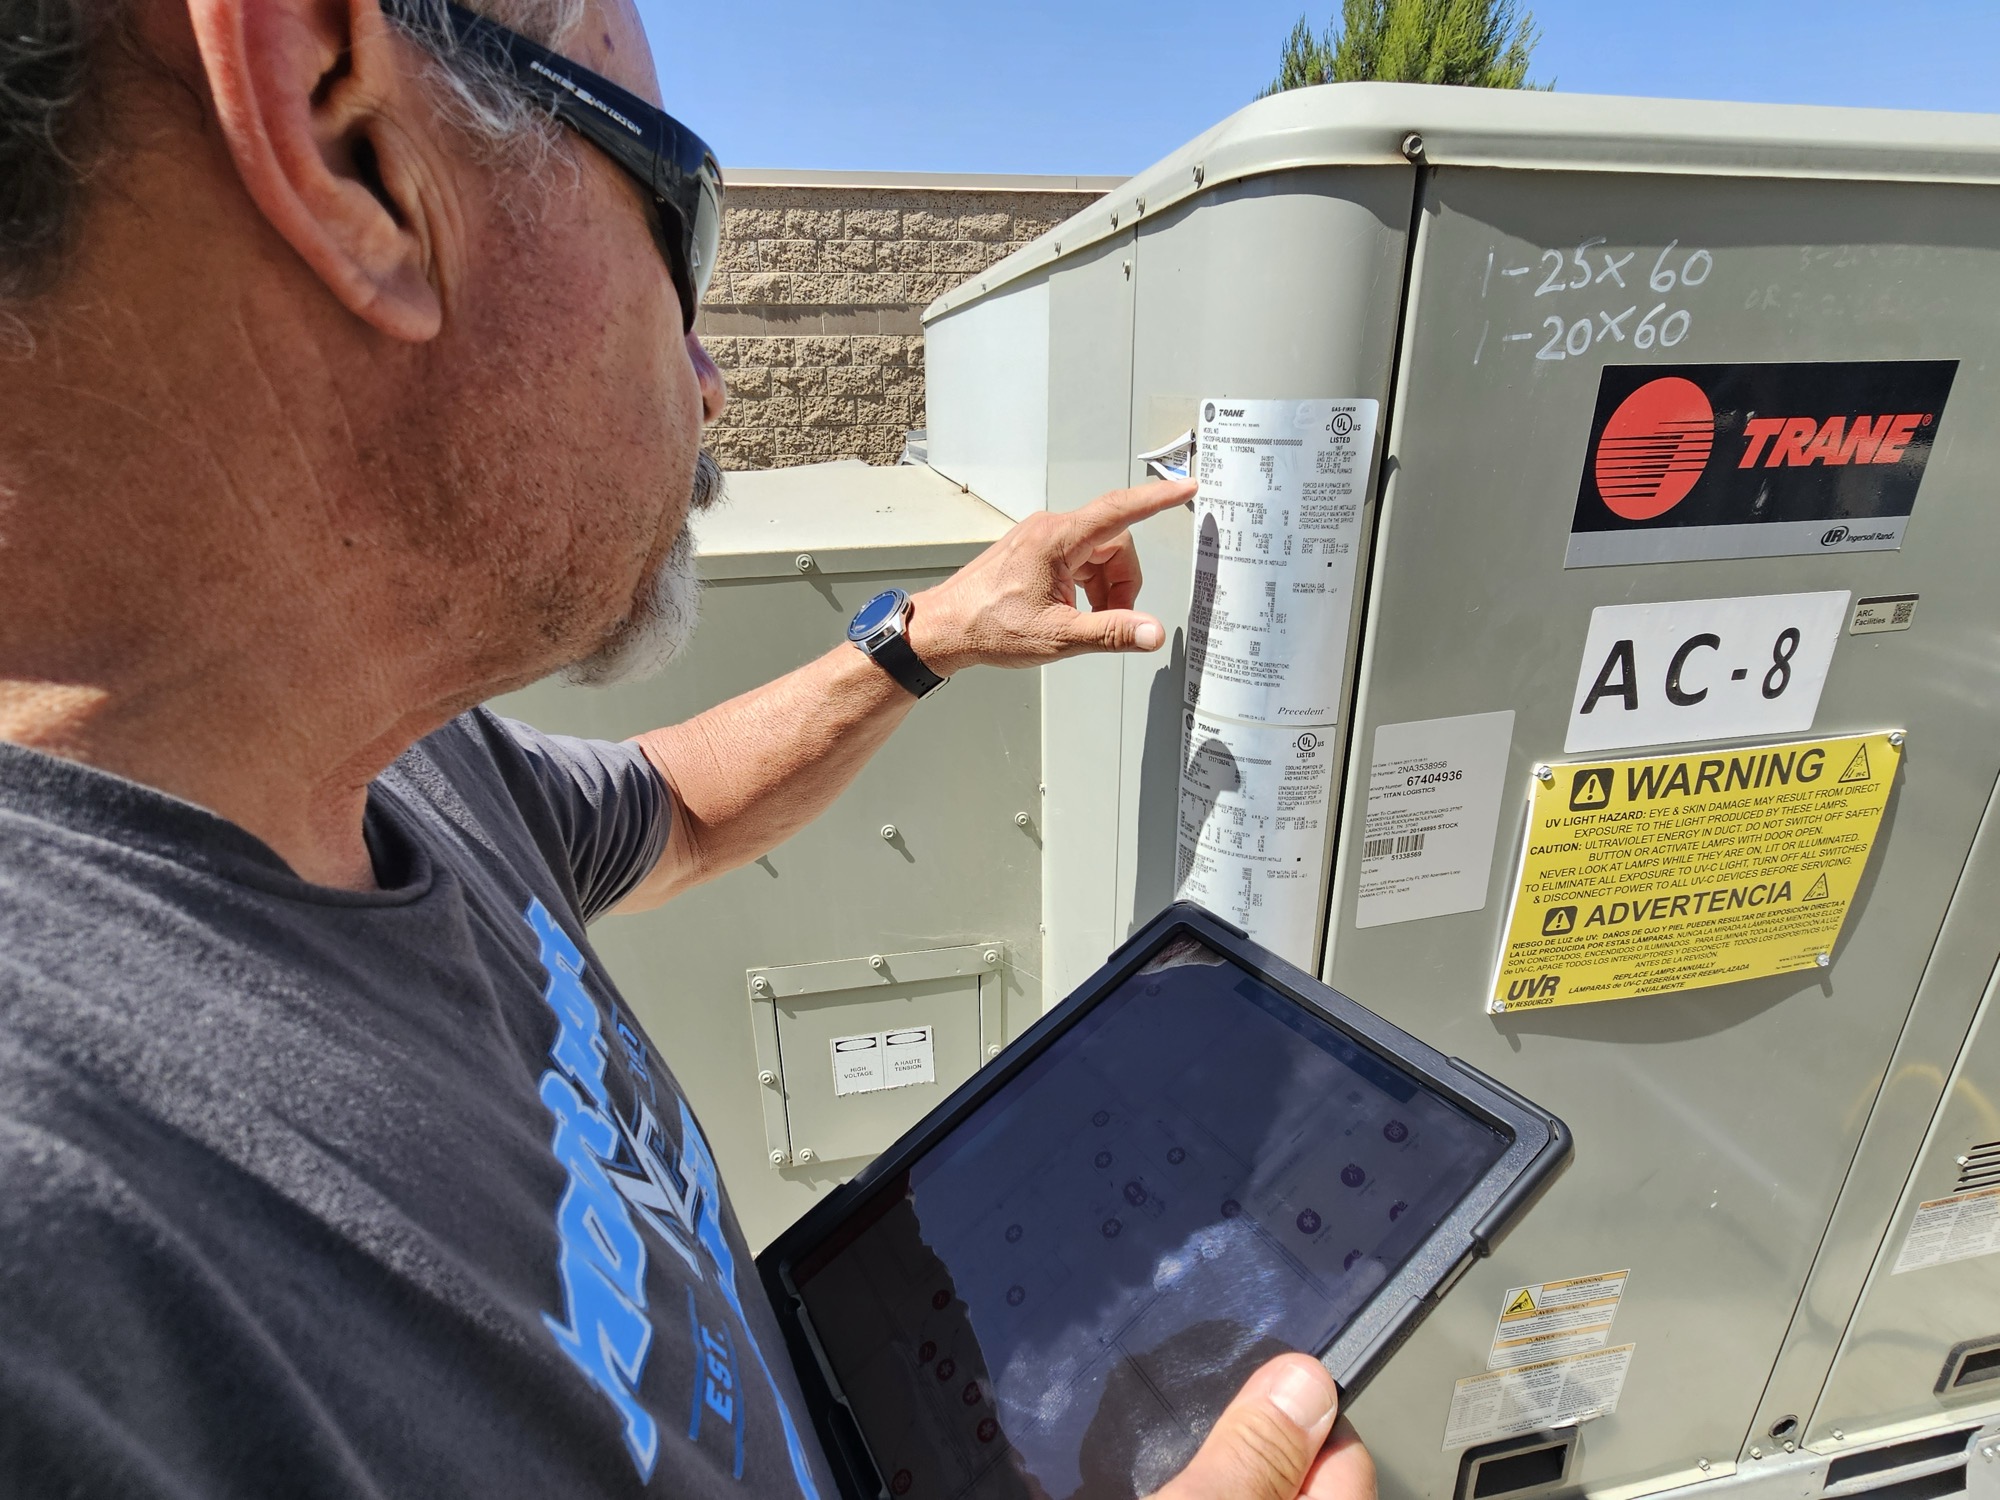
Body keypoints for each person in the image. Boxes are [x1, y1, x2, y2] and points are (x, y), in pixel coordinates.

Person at [0, 0, 1379, 1493]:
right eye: (685, 223)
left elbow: (679, 809)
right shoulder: (56, 1262)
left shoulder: (398, 759)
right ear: (344, 131)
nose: (714, 379)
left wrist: (929, 636)